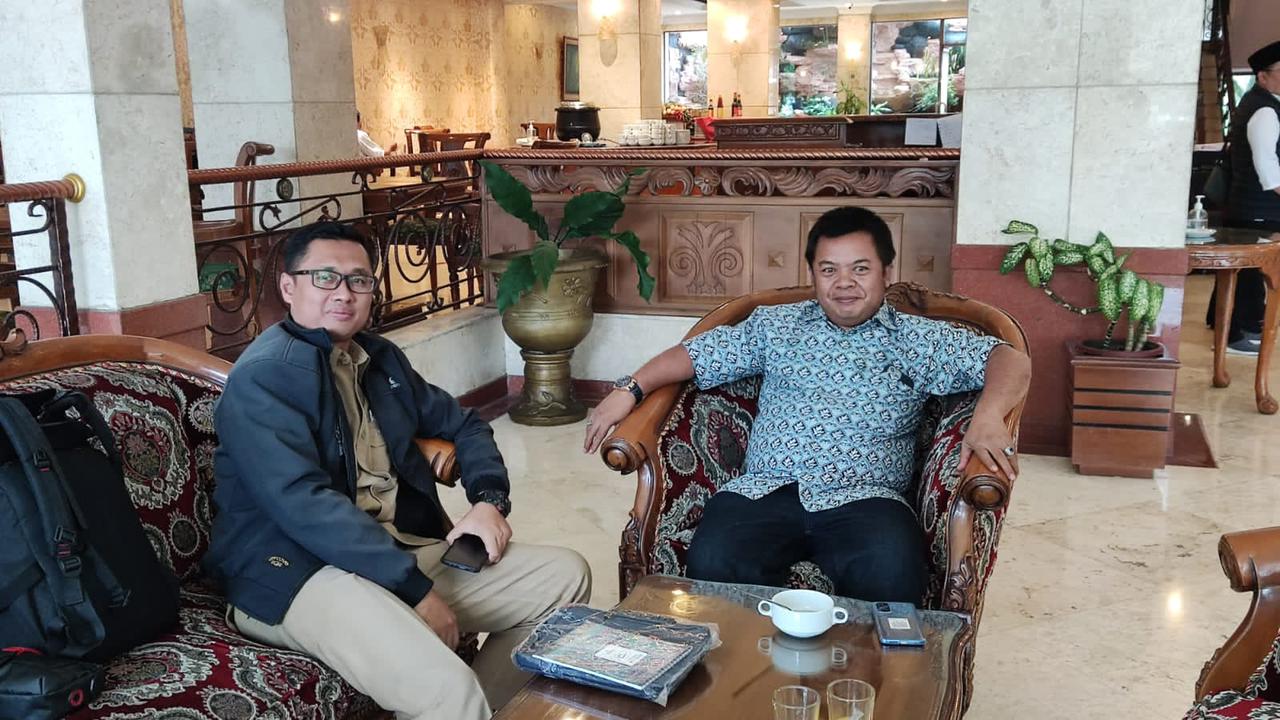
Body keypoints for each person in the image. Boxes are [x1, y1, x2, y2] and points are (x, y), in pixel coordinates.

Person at [205, 222, 590, 720]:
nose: (343, 293)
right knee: (446, 691)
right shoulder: (266, 376)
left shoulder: (378, 358)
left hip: (394, 550)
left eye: (358, 280)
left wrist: (488, 502)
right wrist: (417, 592)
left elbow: (466, 424)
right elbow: (302, 504)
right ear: (288, 287)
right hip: (298, 572)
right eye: (325, 277)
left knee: (564, 578)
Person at [583, 206, 1031, 603]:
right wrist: (629, 389)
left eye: (860, 269)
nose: (844, 283)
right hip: (763, 492)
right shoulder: (775, 325)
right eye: (829, 270)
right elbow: (694, 355)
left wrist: (989, 417)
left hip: (868, 499)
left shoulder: (917, 338)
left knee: (892, 576)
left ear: (886, 272)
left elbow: (1011, 360)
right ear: (813, 274)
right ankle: (739, 670)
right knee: (716, 564)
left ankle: (870, 673)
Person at [1215, 40, 1280, 355]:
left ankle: (1229, 325)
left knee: (1241, 270)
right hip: (1257, 205)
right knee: (1250, 271)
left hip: (1249, 204)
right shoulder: (1265, 109)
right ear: (1262, 76)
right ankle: (1235, 335)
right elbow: (1266, 164)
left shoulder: (1261, 103)